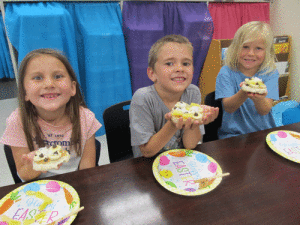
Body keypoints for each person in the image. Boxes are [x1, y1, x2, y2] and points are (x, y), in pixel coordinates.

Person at [0, 48, 101, 181]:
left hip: (75, 184)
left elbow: (87, 170)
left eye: (58, 76)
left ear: (72, 88)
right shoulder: (17, 121)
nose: (49, 84)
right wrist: (37, 163)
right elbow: (24, 175)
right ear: (25, 92)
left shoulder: (86, 118)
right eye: (37, 78)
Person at [130, 34, 219, 158]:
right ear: (152, 73)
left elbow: (190, 145)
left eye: (186, 64)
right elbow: (147, 152)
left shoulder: (193, 92)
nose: (179, 68)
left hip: (181, 162)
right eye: (169, 63)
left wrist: (195, 121)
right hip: (148, 165)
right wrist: (173, 123)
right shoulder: (142, 98)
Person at [215, 21, 279, 139]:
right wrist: (244, 92)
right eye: (245, 47)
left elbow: (265, 110)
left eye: (258, 48)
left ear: (267, 52)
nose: (250, 53)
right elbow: (229, 107)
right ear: (235, 48)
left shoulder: (270, 73)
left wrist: (258, 98)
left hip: (263, 132)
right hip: (233, 134)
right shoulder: (226, 72)